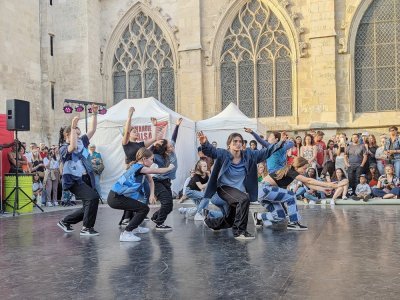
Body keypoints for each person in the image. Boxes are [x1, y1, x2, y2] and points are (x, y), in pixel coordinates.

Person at [198, 131, 284, 240]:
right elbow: (211, 151)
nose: (238, 143)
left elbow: (266, 152)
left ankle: (210, 222)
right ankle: (240, 232)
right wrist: (204, 143)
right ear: (229, 144)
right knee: (244, 199)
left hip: (237, 191)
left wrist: (280, 143)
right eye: (235, 141)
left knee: (230, 220)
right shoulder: (223, 154)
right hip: (224, 188)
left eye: (240, 141)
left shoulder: (248, 155)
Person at [253, 157, 347, 229]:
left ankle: (259, 216)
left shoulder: (293, 172)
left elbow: (309, 184)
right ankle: (293, 223)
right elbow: (309, 180)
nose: (305, 170)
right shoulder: (291, 170)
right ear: (297, 166)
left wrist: (323, 189)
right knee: (290, 195)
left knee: (280, 216)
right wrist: (330, 185)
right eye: (304, 168)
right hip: (264, 189)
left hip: (264, 194)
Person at [108, 148, 175, 242]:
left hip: (118, 197)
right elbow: (157, 171)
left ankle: (134, 227)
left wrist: (152, 195)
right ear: (144, 159)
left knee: (141, 207)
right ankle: (127, 233)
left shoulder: (140, 168)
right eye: (151, 159)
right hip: (115, 197)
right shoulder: (139, 168)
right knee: (144, 209)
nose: (153, 161)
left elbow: (151, 181)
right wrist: (169, 168)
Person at [56, 105, 101, 236]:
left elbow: (92, 130)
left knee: (91, 201)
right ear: (67, 136)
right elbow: (73, 146)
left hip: (86, 178)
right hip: (74, 180)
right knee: (92, 198)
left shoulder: (82, 142)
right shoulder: (63, 148)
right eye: (75, 133)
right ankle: (86, 228)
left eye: (78, 133)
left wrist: (95, 114)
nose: (78, 135)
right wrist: (73, 126)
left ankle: (66, 221)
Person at [120, 107, 158, 224]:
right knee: (131, 194)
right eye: (134, 131)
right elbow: (126, 132)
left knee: (146, 191)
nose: (136, 132)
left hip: (141, 170)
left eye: (136, 131)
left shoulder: (141, 144)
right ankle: (127, 218)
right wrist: (130, 116)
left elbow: (154, 139)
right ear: (129, 133)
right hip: (132, 171)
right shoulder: (126, 143)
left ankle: (141, 212)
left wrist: (154, 125)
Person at [150, 118, 182, 231]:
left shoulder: (172, 147)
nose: (172, 147)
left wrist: (177, 125)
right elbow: (148, 153)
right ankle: (159, 223)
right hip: (158, 182)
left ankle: (155, 218)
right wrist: (154, 144)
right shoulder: (158, 157)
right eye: (170, 146)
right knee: (166, 202)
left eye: (172, 145)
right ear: (165, 150)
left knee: (170, 207)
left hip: (167, 181)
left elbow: (174, 137)